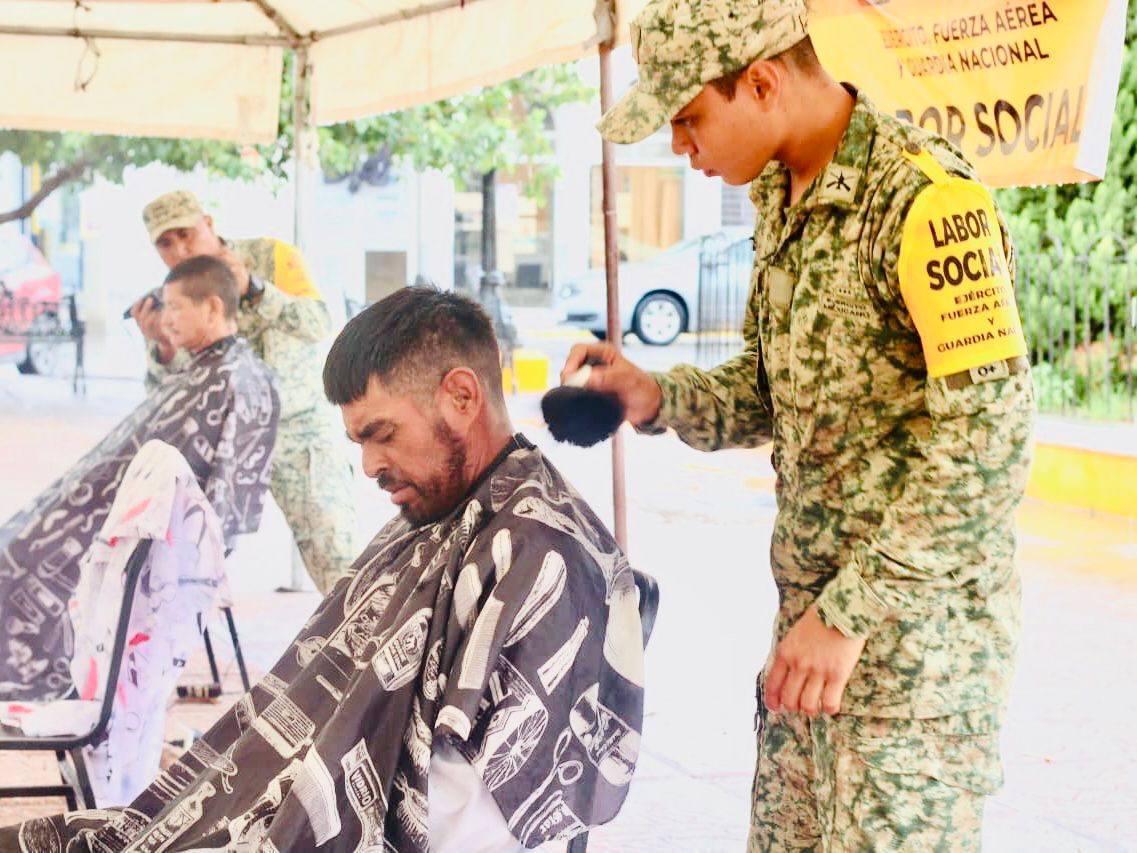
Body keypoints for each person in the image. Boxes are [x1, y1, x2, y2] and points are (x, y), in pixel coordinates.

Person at [561, 1, 1036, 850]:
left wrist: (847, 613)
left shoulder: (928, 203)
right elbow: (768, 386)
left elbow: (987, 447)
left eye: (688, 118)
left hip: (913, 677)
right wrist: (653, 395)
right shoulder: (780, 198)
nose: (679, 145)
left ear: (761, 83)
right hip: (807, 657)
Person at [1, 287, 646, 852]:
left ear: (461, 395)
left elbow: (470, 826)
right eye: (359, 441)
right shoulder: (431, 513)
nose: (369, 466)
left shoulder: (544, 553)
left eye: (382, 434)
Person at [0, 255, 278, 700]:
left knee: (15, 561)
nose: (165, 319)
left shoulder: (235, 378)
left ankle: (52, 689)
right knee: (12, 542)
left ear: (211, 306)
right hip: (106, 506)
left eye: (175, 307)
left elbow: (223, 501)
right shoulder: (205, 369)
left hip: (142, 530)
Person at [130, 189, 355, 593]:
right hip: (222, 445)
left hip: (298, 431)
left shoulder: (271, 256)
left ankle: (363, 631)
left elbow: (319, 323)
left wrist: (254, 288)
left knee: (336, 558)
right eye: (165, 243)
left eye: (185, 234)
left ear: (208, 224)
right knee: (176, 558)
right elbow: (166, 399)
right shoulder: (170, 298)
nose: (179, 249)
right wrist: (163, 348)